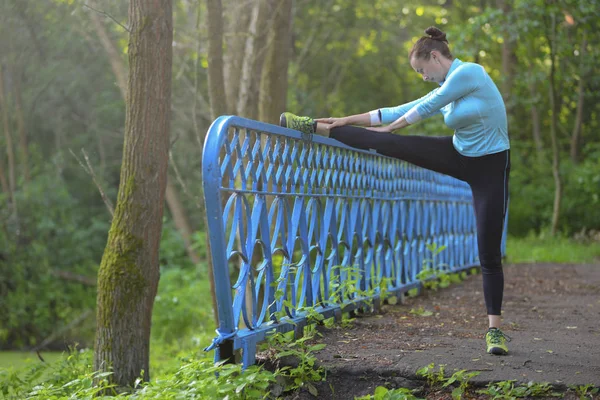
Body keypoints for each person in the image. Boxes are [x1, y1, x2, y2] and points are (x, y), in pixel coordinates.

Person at [279, 26, 511, 355]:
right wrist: (346, 119)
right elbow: (398, 109)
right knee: (389, 145)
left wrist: (389, 129)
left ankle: (495, 332)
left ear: (434, 56)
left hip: (490, 167)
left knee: (488, 250)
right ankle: (318, 126)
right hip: (458, 154)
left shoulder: (469, 72)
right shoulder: (446, 84)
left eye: (421, 70)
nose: (422, 77)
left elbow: (423, 110)